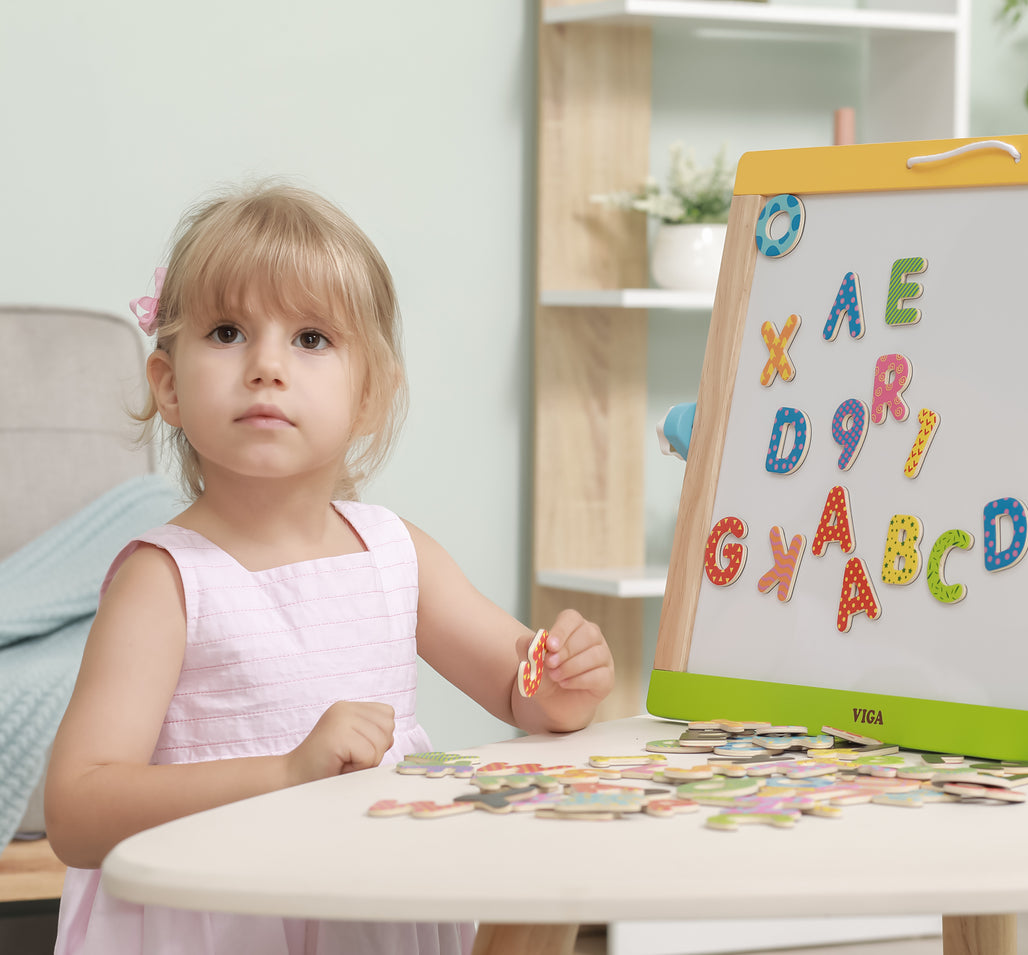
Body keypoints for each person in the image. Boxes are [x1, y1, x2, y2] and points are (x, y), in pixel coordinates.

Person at [46, 182, 615, 955]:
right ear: (169, 385)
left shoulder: (394, 552)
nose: (267, 366)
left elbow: (526, 693)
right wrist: (283, 773)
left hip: (368, 907)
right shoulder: (166, 581)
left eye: (310, 338)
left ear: (369, 395)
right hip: (220, 922)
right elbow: (78, 811)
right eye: (226, 331)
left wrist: (562, 679)